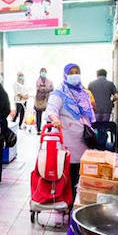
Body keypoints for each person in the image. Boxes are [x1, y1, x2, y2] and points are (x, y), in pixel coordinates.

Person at [47, 64, 96, 206]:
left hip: (83, 139)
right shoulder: (59, 92)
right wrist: (55, 119)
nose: (75, 75)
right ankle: (67, 201)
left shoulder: (84, 93)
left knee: (80, 170)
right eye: (71, 72)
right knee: (68, 171)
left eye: (77, 72)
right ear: (65, 75)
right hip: (66, 139)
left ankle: (77, 201)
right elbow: (52, 109)